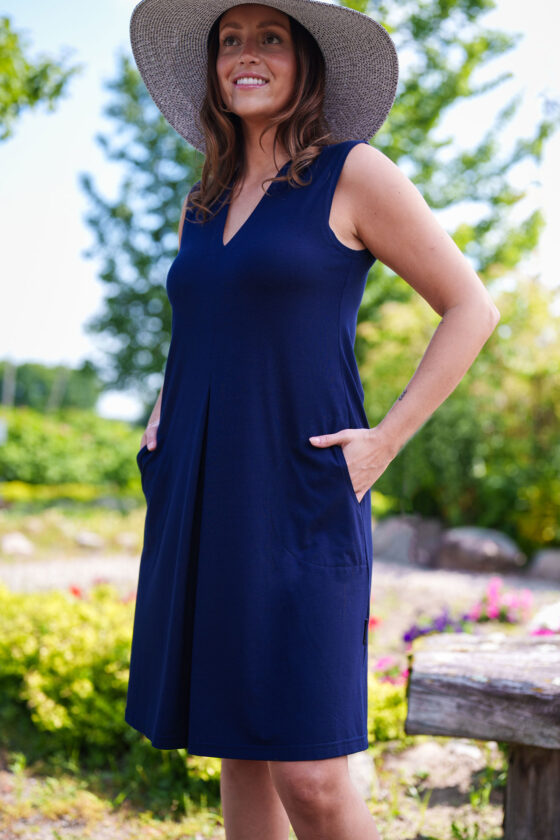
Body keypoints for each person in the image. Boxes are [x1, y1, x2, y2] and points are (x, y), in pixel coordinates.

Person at [126, 1, 500, 837]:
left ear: (305, 63)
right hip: (201, 486)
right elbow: (203, 324)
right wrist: (162, 420)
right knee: (239, 746)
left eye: (269, 39)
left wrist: (388, 439)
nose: (245, 55)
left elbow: (471, 308)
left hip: (301, 495)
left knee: (312, 776)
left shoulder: (354, 172)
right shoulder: (205, 198)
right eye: (231, 40)